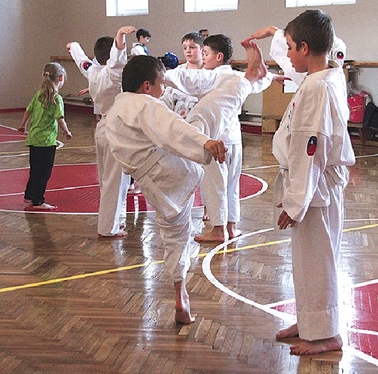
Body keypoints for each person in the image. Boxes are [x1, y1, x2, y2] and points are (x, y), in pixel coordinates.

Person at [105, 42, 268, 324]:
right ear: (146, 86)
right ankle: (251, 80)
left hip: (154, 186)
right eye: (159, 85)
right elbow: (172, 127)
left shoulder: (114, 113)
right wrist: (204, 141)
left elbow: (159, 133)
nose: (162, 90)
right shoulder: (145, 104)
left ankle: (180, 292)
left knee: (174, 237)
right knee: (207, 113)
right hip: (175, 170)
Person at [244, 10, 355, 355]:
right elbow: (323, 48)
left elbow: (310, 150)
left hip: (315, 189)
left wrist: (295, 202)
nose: (288, 56)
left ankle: (325, 334)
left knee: (317, 262)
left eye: (291, 47)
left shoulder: (317, 89)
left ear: (306, 48)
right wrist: (278, 33)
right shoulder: (329, 73)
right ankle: (311, 321)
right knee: (308, 261)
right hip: (317, 187)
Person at [163, 34, 287, 242]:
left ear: (218, 57)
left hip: (216, 140)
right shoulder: (236, 76)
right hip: (234, 139)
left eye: (205, 53)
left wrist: (160, 75)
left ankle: (218, 229)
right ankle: (232, 227)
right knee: (231, 185)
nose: (202, 58)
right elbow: (257, 81)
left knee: (215, 185)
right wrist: (273, 77)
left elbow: (186, 80)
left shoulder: (212, 77)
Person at [67, 25, 136, 237]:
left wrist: (74, 46)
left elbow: (81, 60)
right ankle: (109, 227)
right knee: (115, 182)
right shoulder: (113, 74)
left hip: (102, 129)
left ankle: (115, 221)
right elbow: (116, 61)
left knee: (109, 181)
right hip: (116, 130)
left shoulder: (92, 71)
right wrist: (120, 36)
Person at [18, 62, 72, 211]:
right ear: (60, 78)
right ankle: (38, 200)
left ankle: (29, 195)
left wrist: (23, 125)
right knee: (44, 172)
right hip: (46, 141)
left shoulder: (38, 94)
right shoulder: (56, 98)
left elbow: (28, 111)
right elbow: (60, 118)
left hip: (34, 138)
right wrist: (67, 132)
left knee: (35, 169)